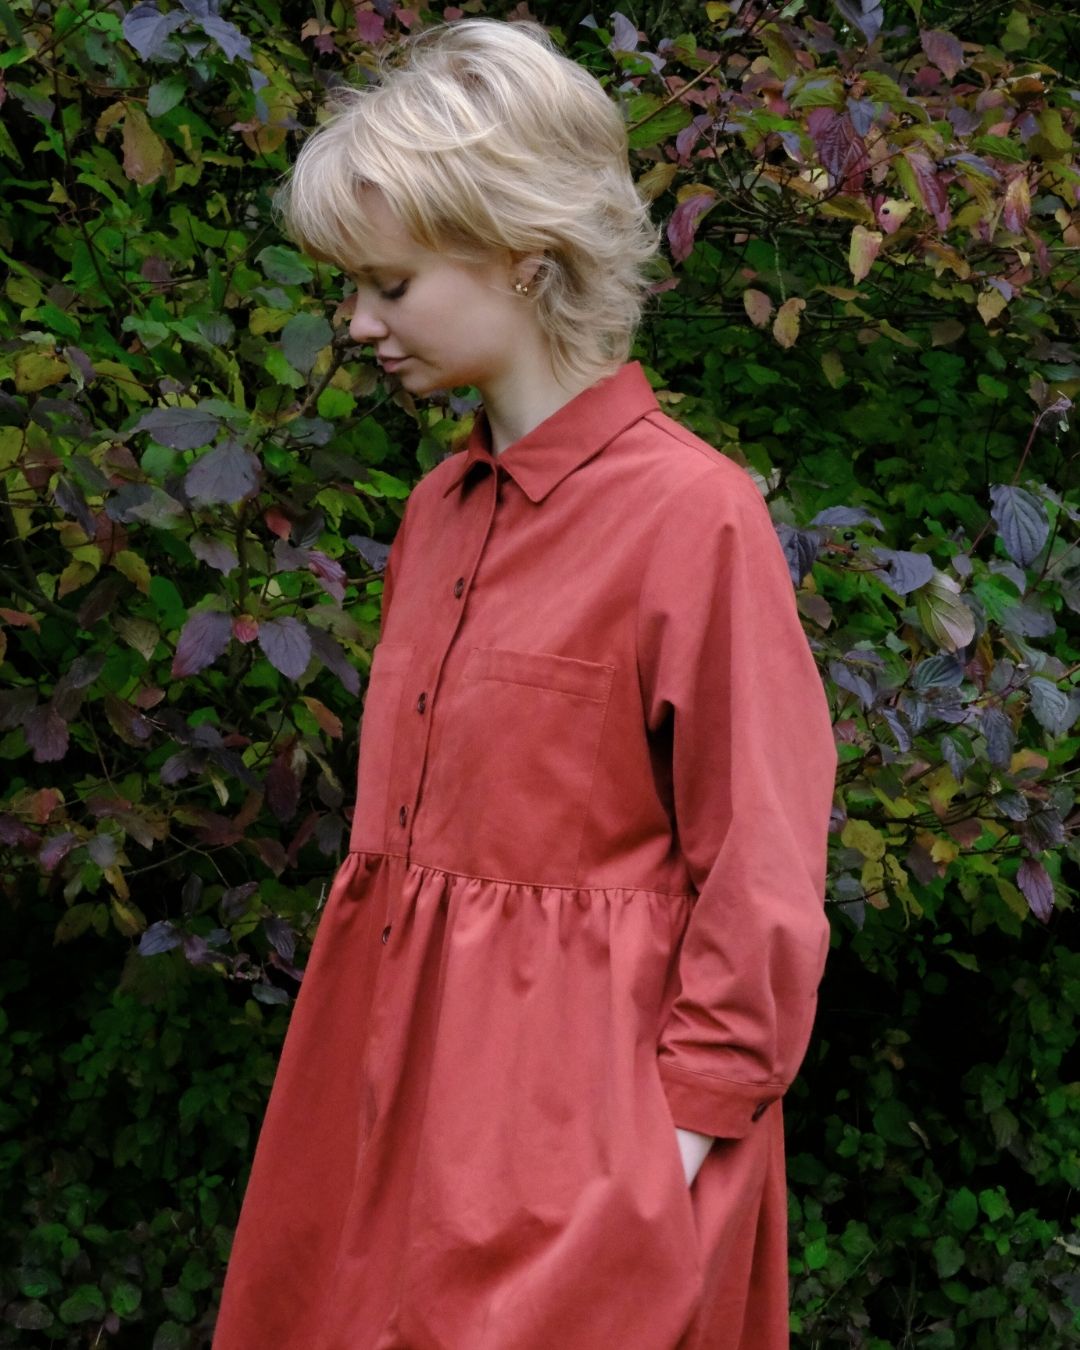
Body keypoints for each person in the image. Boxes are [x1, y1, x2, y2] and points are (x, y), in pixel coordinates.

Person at [212, 17, 837, 1350]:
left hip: (591, 1163)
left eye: (389, 283)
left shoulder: (695, 517)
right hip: (386, 1123)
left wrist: (663, 1161)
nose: (358, 323)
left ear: (522, 257)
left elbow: (763, 878)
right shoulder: (436, 513)